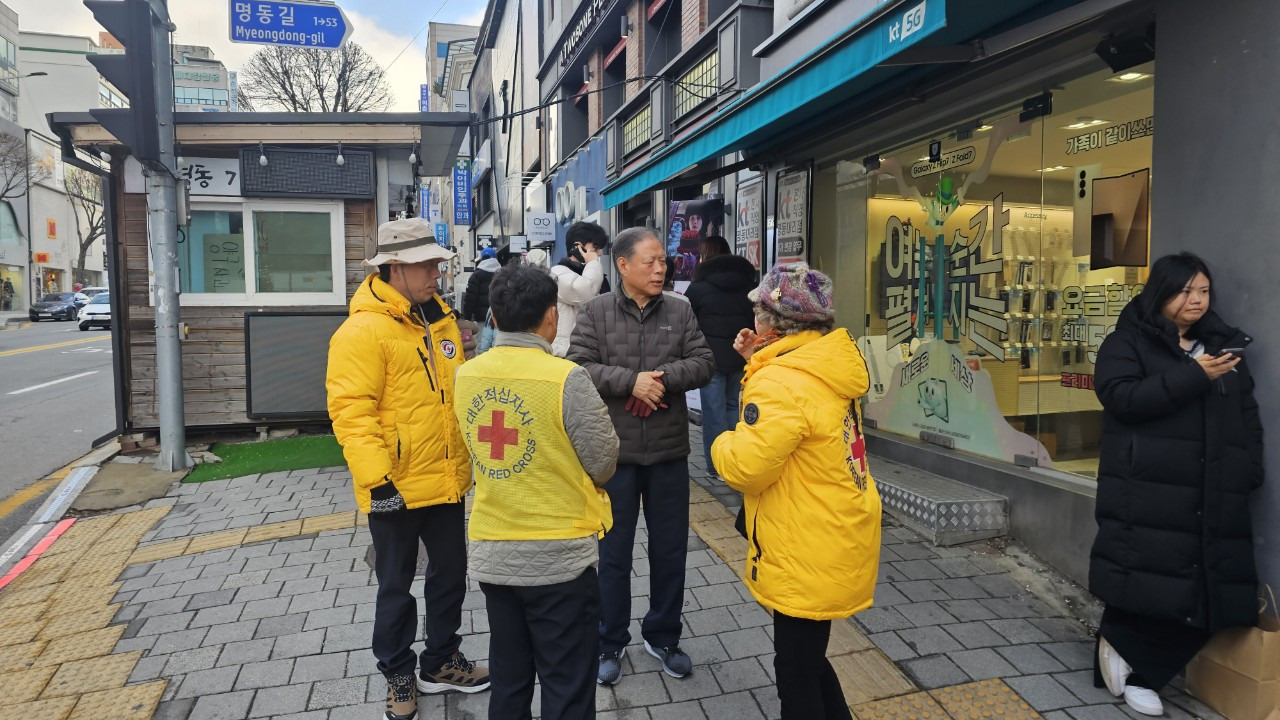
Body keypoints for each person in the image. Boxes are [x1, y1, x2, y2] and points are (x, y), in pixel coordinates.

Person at [327, 218, 490, 720]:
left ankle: (440, 660)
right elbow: (351, 412)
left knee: (451, 575)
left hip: (446, 477)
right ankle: (398, 674)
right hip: (394, 485)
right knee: (396, 588)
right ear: (395, 268)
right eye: (427, 266)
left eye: (438, 265)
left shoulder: (440, 320)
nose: (436, 274)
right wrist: (377, 482)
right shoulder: (361, 331)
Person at [1090, 252, 1262, 716]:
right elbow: (1120, 397)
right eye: (1185, 291)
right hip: (1149, 487)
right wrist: (1192, 375)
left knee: (1214, 593)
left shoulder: (1224, 348)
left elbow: (1246, 415)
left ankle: (1123, 648)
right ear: (1160, 293)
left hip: (1215, 488)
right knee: (1153, 583)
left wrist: (1250, 469)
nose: (1197, 300)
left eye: (1203, 291)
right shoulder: (1126, 341)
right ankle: (1141, 670)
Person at [710, 263, 881, 720]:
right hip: (834, 524)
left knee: (795, 671)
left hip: (804, 538)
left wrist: (721, 441)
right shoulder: (823, 363)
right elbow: (798, 416)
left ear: (774, 323)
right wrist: (758, 360)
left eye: (758, 311)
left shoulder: (780, 381)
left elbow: (747, 468)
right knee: (808, 658)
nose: (752, 318)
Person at [453, 263, 620, 720]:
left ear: (494, 316)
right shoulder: (566, 378)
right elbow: (604, 461)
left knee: (509, 679)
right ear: (551, 316)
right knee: (566, 684)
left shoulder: (466, 375)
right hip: (560, 557)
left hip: (494, 551)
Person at [567, 227, 715, 685]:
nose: (660, 269)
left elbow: (704, 362)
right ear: (623, 265)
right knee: (613, 554)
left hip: (669, 453)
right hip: (615, 455)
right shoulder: (595, 312)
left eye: (663, 261)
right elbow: (578, 367)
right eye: (650, 261)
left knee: (670, 550)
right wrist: (630, 383)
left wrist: (660, 380)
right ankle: (609, 640)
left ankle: (664, 636)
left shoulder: (679, 309)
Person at [684, 236, 755, 480]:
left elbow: (689, 324)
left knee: (713, 414)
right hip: (741, 355)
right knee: (734, 409)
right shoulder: (748, 284)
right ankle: (734, 464)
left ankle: (716, 467)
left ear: (705, 256)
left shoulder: (698, 288)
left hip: (710, 359)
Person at [550, 221, 609, 357]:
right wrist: (593, 263)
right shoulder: (558, 273)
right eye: (595, 248)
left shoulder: (591, 274)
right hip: (566, 353)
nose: (599, 253)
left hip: (588, 351)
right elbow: (585, 295)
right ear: (578, 246)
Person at [463, 247, 501, 323]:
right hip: (499, 318)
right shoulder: (502, 274)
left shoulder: (476, 275)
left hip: (481, 318)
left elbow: (470, 299)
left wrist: (467, 318)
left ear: (482, 259)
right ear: (495, 257)